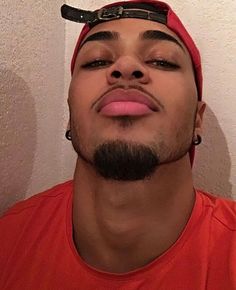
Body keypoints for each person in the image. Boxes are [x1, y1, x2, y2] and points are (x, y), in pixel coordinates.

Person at [0, 1, 235, 289]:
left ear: (198, 120)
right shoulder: (8, 239)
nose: (125, 66)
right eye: (97, 61)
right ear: (70, 116)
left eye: (162, 60)